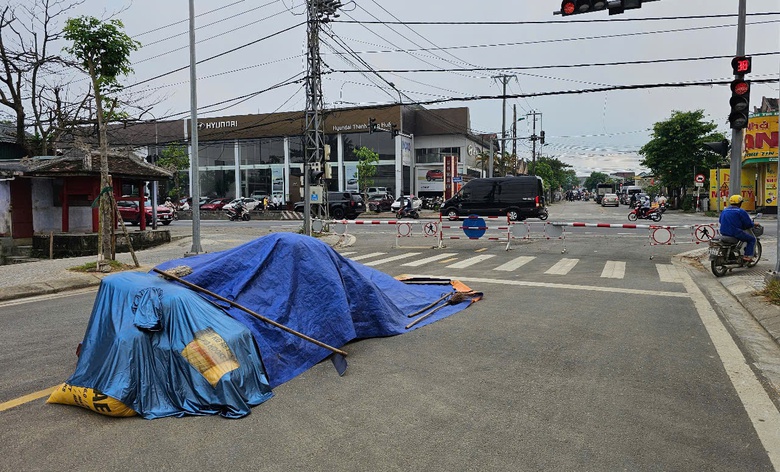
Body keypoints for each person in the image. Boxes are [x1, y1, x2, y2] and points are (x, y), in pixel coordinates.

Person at [719, 194, 758, 262]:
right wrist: (754, 224)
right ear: (740, 203)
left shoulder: (724, 211)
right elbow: (748, 224)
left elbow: (720, 221)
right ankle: (747, 256)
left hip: (724, 232)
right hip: (735, 232)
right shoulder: (741, 211)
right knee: (752, 239)